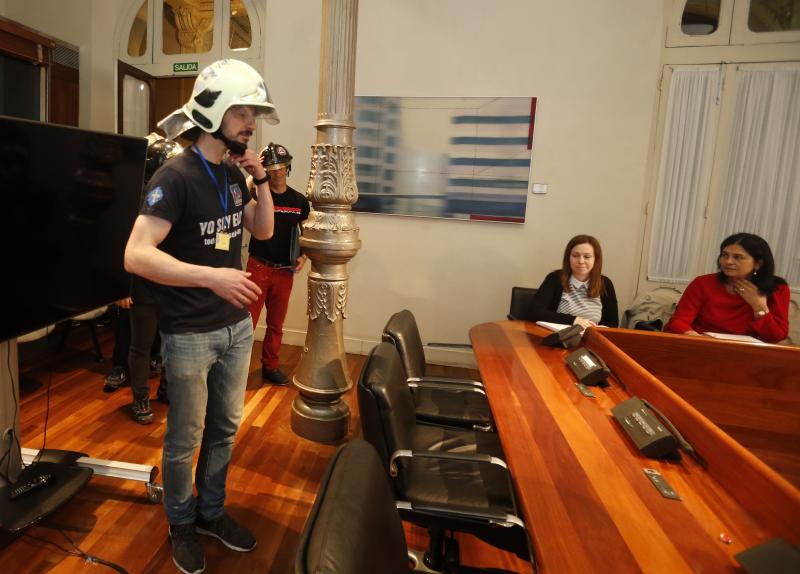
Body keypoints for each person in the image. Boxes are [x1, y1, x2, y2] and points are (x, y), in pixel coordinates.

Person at [124, 59, 278, 574]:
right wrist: (212, 277)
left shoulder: (234, 172)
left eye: (251, 112)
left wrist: (262, 183)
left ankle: (211, 511)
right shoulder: (176, 175)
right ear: (212, 114)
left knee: (225, 428)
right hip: (190, 332)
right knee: (185, 436)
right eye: (240, 112)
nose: (250, 122)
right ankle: (181, 521)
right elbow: (137, 255)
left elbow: (262, 233)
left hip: (235, 327)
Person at [126, 134, 183, 424]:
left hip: (170, 283)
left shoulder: (176, 194)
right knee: (141, 346)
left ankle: (165, 388)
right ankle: (140, 398)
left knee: (170, 343)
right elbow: (123, 246)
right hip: (143, 285)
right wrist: (122, 288)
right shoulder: (134, 199)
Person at [246, 143, 310, 386]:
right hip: (258, 267)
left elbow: (306, 234)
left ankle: (270, 367)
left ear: (288, 167)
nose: (278, 172)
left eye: (282, 166)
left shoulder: (300, 202)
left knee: (276, 324)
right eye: (272, 168)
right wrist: (255, 170)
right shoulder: (258, 194)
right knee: (246, 323)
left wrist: (303, 256)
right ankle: (237, 368)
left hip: (285, 272)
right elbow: (241, 192)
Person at [665, 233, 790, 343]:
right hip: (700, 345)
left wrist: (759, 306)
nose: (728, 261)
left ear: (758, 263)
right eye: (724, 255)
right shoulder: (703, 283)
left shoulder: (777, 288)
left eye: (738, 257)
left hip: (744, 353)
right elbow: (678, 322)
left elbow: (776, 337)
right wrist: (699, 339)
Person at [526, 234, 619, 328]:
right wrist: (574, 320)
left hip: (591, 338)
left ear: (596, 259)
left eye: (587, 257)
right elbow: (534, 312)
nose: (581, 261)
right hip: (560, 337)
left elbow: (613, 323)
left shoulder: (605, 284)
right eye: (575, 256)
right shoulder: (555, 278)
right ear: (568, 257)